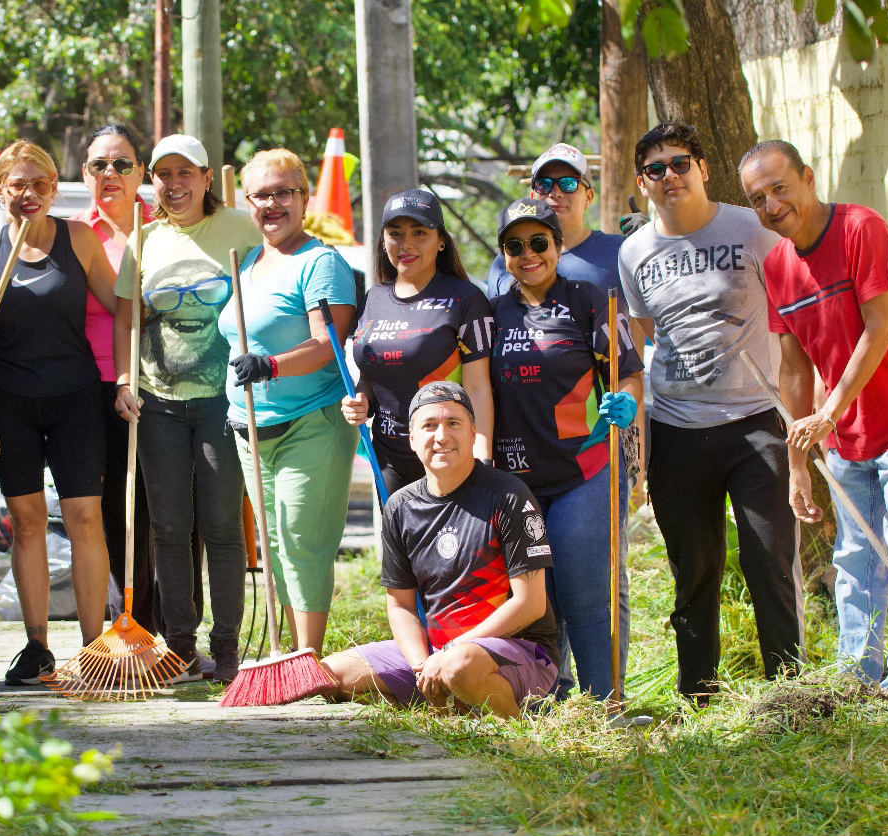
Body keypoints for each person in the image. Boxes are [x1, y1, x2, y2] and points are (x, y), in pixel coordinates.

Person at [739, 140, 888, 698]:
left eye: (780, 188)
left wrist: (830, 409)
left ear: (808, 178)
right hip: (844, 435)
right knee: (856, 557)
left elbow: (881, 327)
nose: (772, 204)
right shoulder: (777, 266)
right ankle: (857, 676)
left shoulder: (862, 228)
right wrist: (797, 463)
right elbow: (792, 370)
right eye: (758, 198)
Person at [617, 123, 801, 703]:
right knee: (693, 569)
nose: (669, 176)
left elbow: (792, 312)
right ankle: (699, 691)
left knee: (767, 559)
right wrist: (640, 451)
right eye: (655, 169)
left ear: (701, 167)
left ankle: (788, 689)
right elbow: (644, 343)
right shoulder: (634, 252)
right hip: (678, 429)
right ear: (643, 183)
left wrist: (800, 418)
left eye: (679, 163)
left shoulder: (751, 229)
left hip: (755, 425)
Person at [0, 139, 118, 686]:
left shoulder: (79, 239)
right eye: (18, 184)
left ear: (55, 188)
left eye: (40, 184)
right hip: (11, 403)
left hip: (76, 397)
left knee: (84, 519)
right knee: (26, 523)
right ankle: (36, 646)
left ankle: (94, 645)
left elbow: (124, 304)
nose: (29, 194)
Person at [112, 133, 260, 682]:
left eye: (185, 174)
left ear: (205, 178)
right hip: (158, 403)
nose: (174, 185)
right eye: (164, 175)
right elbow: (128, 319)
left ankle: (226, 652)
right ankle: (179, 647)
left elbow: (268, 291)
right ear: (153, 180)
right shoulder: (141, 239)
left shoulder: (240, 230)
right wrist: (125, 380)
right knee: (170, 529)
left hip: (223, 402)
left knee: (222, 526)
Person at [322, 382, 559, 719]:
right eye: (429, 425)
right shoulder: (400, 507)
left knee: (459, 666)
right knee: (330, 676)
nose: (442, 436)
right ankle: (449, 702)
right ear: (413, 439)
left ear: (473, 432)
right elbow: (401, 605)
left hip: (519, 651)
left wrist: (448, 654)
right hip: (436, 653)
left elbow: (530, 604)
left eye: (454, 423)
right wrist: (422, 666)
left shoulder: (508, 496)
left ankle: (513, 729)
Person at [490, 199, 644, 701]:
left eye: (539, 242)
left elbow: (630, 373)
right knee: (538, 605)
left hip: (584, 469)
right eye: (515, 246)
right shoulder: (491, 312)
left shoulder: (590, 299)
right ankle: (547, 699)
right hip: (517, 483)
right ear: (503, 255)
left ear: (558, 246)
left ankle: (606, 703)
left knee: (583, 597)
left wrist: (627, 403)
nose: (528, 254)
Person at [217, 148, 359, 658]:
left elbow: (328, 345)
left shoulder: (321, 262)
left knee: (303, 543)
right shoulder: (251, 260)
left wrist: (271, 365)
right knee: (274, 548)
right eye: (261, 195)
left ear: (303, 199)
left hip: (311, 424)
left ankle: (306, 659)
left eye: (283, 193)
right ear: (247, 203)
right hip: (250, 430)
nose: (272, 204)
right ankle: (284, 656)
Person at [342, 190, 494, 493]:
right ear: (383, 240)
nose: (406, 244)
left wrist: (483, 460)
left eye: (419, 233)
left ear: (441, 241)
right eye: (395, 233)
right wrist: (361, 401)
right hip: (388, 459)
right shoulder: (373, 298)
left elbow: (478, 386)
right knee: (399, 541)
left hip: (448, 456)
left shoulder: (466, 299)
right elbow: (372, 375)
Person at [70, 123, 157, 633]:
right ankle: (126, 625)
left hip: (163, 383)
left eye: (122, 164)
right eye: (99, 164)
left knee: (159, 514)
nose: (111, 174)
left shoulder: (167, 227)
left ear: (139, 172)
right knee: (110, 515)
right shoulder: (73, 233)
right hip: (95, 387)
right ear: (84, 173)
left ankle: (171, 629)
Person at [484, 143, 628, 300]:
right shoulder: (510, 257)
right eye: (544, 184)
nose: (556, 193)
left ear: (589, 197)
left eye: (568, 183)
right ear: (533, 197)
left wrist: (648, 242)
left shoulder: (620, 250)